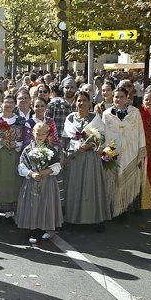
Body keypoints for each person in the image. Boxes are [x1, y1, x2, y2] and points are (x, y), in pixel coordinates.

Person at [62, 91, 111, 230]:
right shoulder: (70, 118)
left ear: (89, 103)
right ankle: (73, 219)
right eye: (79, 100)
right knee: (74, 187)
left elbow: (102, 137)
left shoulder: (95, 118)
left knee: (91, 187)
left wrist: (91, 145)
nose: (81, 103)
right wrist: (64, 155)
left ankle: (94, 219)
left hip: (90, 157)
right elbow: (65, 139)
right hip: (74, 157)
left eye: (84, 100)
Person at [16, 123, 64, 244]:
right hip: (32, 181)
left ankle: (45, 228)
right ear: (33, 133)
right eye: (38, 133)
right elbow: (21, 166)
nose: (40, 136)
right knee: (33, 205)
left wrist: (46, 171)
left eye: (43, 133)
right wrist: (31, 174)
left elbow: (58, 166)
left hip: (47, 182)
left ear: (47, 135)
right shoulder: (27, 149)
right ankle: (32, 230)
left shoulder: (52, 149)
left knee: (46, 204)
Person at [103, 87, 146, 217]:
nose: (118, 99)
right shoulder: (107, 114)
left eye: (122, 97)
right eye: (116, 97)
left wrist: (141, 150)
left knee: (130, 180)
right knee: (113, 181)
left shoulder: (135, 113)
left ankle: (126, 209)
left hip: (131, 151)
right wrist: (105, 153)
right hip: (112, 152)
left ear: (127, 98)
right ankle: (113, 209)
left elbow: (140, 131)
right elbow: (104, 134)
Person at [0, 94, 24, 219]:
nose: (8, 104)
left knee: (14, 182)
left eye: (11, 102)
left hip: (14, 155)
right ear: (2, 104)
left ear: (15, 105)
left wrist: (17, 143)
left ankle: (11, 212)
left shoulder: (20, 120)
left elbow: (25, 139)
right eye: (6, 102)